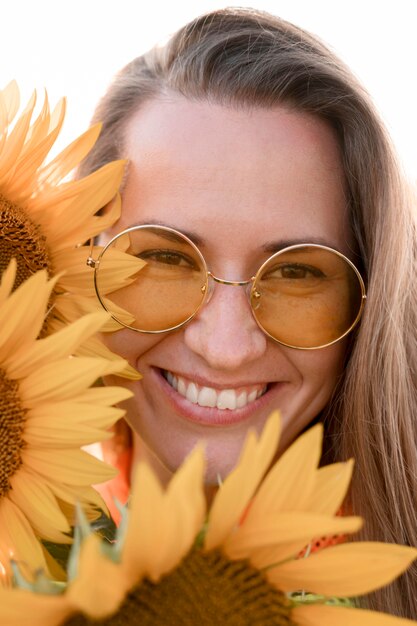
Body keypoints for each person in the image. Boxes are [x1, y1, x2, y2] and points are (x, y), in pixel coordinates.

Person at [78, 7, 417, 618]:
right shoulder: (29, 545)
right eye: (164, 258)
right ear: (77, 262)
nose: (225, 346)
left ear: (373, 302)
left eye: (295, 271)